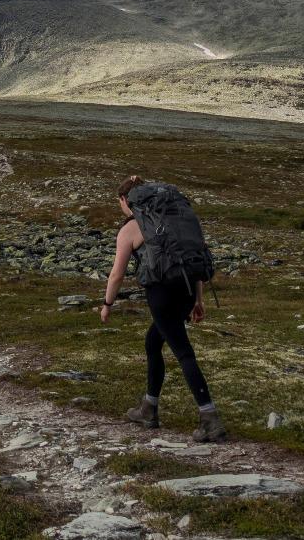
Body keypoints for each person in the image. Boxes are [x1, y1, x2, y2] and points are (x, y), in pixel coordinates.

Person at [100, 175, 225, 443]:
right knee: (153, 341)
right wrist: (198, 300)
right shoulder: (175, 219)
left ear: (126, 200)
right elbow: (192, 258)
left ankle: (209, 417)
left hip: (161, 293)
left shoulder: (132, 227)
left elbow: (117, 275)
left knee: (183, 352)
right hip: (187, 290)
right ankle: (149, 407)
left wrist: (107, 304)